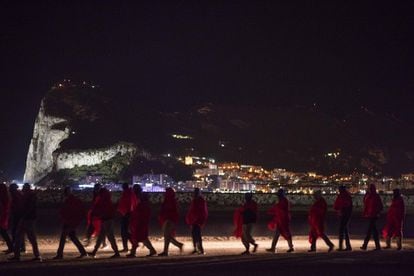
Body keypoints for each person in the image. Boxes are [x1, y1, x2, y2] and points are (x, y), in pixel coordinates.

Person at [8, 183, 41, 261]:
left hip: (27, 219)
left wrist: (23, 216)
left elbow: (28, 208)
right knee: (23, 238)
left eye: (23, 187)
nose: (22, 189)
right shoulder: (30, 196)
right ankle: (35, 255)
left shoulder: (28, 197)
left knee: (24, 237)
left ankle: (34, 256)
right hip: (27, 219)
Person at [53, 187, 87, 259]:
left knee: (64, 237)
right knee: (73, 237)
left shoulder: (69, 200)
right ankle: (83, 252)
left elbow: (66, 211)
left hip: (69, 222)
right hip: (71, 221)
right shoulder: (73, 200)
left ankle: (60, 254)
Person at [89, 187, 120, 258]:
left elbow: (97, 209)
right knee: (102, 236)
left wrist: (94, 214)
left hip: (106, 220)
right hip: (107, 220)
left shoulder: (102, 200)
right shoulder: (108, 199)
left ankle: (116, 252)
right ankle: (94, 251)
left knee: (109, 237)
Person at [127, 192, 156, 257]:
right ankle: (151, 250)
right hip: (142, 224)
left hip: (139, 224)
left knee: (137, 237)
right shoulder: (146, 205)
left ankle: (133, 252)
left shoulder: (141, 205)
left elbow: (137, 215)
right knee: (142, 238)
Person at [266, 189, 294, 253]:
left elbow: (280, 209)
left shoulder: (283, 201)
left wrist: (273, 210)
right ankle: (273, 247)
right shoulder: (283, 201)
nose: (278, 196)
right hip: (281, 220)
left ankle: (290, 247)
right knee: (279, 234)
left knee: (285, 233)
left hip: (283, 220)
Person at [158, 187, 183, 256]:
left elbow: (169, 210)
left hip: (169, 219)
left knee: (167, 235)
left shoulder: (170, 201)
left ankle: (166, 251)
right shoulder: (171, 200)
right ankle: (178, 245)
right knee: (167, 235)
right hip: (169, 219)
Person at [185, 188, 208, 255]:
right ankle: (196, 249)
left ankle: (200, 249)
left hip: (197, 221)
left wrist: (198, 220)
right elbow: (193, 210)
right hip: (194, 220)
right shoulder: (196, 200)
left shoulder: (200, 201)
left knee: (197, 235)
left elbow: (201, 211)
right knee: (194, 235)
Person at [361, 184, 383, 251]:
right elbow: (365, 203)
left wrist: (376, 212)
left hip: (373, 215)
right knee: (372, 231)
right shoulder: (371, 196)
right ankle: (375, 246)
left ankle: (366, 245)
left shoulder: (374, 196)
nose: (370, 190)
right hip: (371, 215)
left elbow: (379, 206)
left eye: (370, 189)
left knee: (371, 231)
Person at [84, 184, 107, 248]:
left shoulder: (100, 196)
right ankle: (101, 243)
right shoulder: (99, 196)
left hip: (98, 215)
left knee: (98, 229)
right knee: (94, 229)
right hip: (95, 215)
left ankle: (103, 243)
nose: (96, 190)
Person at [333, 185, 353, 251]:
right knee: (345, 230)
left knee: (342, 230)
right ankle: (347, 246)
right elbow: (350, 206)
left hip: (343, 215)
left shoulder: (341, 196)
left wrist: (339, 210)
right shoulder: (347, 196)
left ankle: (341, 246)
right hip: (346, 215)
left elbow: (336, 205)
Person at [7, 183, 25, 254]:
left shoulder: (16, 195)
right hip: (18, 215)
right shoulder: (17, 194)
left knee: (16, 232)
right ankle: (19, 247)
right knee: (18, 232)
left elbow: (17, 205)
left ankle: (17, 247)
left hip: (18, 215)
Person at [117, 182, 135, 252]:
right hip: (127, 214)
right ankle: (130, 245)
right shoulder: (130, 193)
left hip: (126, 214)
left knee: (124, 232)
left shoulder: (127, 194)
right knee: (125, 232)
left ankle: (132, 245)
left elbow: (127, 204)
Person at [0, 183, 13, 253]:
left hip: (3, 215)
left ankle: (11, 247)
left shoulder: (4, 197)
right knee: (3, 232)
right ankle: (11, 247)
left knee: (3, 232)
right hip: (4, 215)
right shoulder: (6, 196)